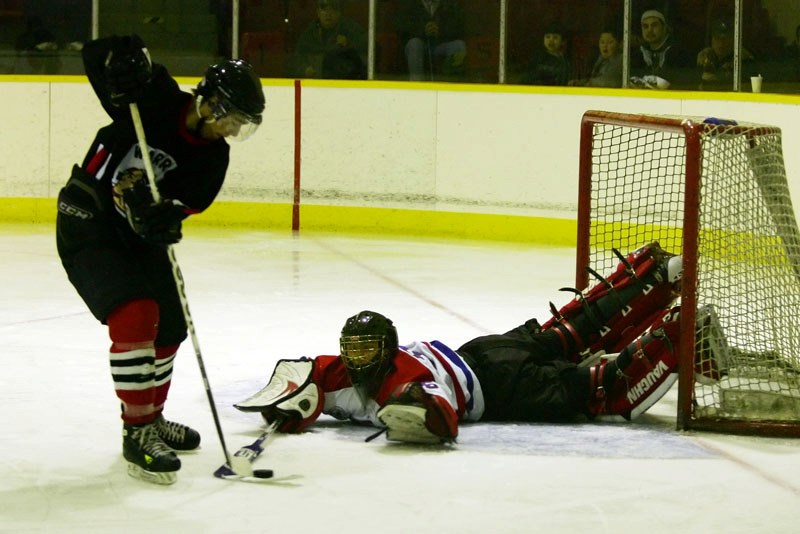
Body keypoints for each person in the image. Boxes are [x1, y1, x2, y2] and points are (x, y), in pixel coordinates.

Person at [56, 35, 265, 484]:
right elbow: (96, 56)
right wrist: (124, 53)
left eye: (242, 125)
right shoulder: (152, 96)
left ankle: (151, 418)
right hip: (88, 219)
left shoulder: (213, 159)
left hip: (133, 234)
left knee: (170, 323)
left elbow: (178, 212)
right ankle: (137, 433)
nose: (232, 130)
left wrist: (162, 219)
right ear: (208, 102)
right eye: (232, 118)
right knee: (136, 313)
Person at [236, 243, 688, 444]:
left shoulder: (403, 377)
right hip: (482, 349)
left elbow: (442, 420)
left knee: (594, 388)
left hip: (499, 385)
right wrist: (289, 407)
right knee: (567, 333)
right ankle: (654, 273)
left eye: (366, 350)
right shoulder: (339, 370)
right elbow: (304, 372)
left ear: (388, 349)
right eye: (353, 350)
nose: (357, 360)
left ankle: (679, 332)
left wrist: (412, 407)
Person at [289, 0, 367, 80]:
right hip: (315, 83)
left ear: (339, 12)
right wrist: (304, 69)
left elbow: (366, 56)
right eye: (324, 9)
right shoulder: (309, 33)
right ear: (318, 13)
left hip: (342, 84)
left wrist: (349, 45)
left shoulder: (351, 30)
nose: (328, 14)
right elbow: (297, 59)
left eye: (333, 9)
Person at [398, 0, 467, 81]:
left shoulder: (448, 4)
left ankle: (449, 84)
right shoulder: (410, 4)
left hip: (440, 45)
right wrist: (422, 31)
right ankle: (417, 84)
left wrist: (440, 31)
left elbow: (458, 28)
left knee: (459, 46)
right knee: (415, 43)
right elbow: (402, 27)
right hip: (420, 45)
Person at [630, 9, 692, 89]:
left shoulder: (679, 53)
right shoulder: (637, 54)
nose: (649, 30)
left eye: (654, 25)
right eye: (645, 26)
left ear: (664, 28)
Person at [697, 18, 754, 91]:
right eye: (717, 38)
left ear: (733, 40)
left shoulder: (744, 58)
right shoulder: (704, 56)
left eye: (725, 39)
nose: (721, 43)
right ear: (712, 40)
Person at [521, 21, 571, 86]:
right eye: (547, 37)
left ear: (563, 41)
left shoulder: (565, 59)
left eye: (555, 37)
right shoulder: (539, 57)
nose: (551, 40)